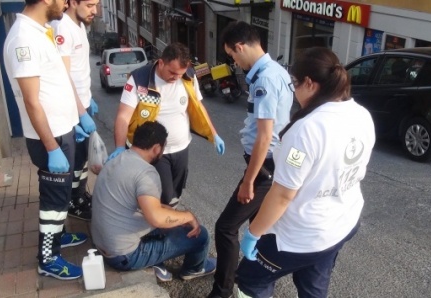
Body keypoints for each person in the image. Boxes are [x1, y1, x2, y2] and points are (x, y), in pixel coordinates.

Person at [236, 47, 376, 298]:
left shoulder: (306, 130)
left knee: (250, 279)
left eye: (294, 84)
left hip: (301, 235)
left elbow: (282, 196)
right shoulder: (361, 114)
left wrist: (253, 233)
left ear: (309, 83)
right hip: (341, 224)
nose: (293, 91)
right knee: (313, 286)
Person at [3, 0, 96, 280]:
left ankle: (58, 236)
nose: (66, 3)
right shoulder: (23, 38)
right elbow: (32, 101)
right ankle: (48, 257)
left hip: (62, 129)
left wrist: (75, 118)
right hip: (50, 138)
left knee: (60, 194)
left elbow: (57, 81)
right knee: (54, 200)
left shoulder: (40, 30)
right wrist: (52, 147)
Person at [208, 21, 293, 298]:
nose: (234, 61)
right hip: (269, 164)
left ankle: (222, 292)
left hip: (264, 168)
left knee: (226, 227)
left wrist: (249, 181)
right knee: (262, 230)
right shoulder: (275, 71)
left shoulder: (266, 79)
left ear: (240, 47)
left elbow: (265, 136)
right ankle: (254, 286)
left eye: (232, 56)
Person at [91, 121, 216, 282]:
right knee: (201, 236)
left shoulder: (118, 159)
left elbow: (152, 207)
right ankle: (194, 269)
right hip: (124, 256)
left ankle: (157, 261)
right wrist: (188, 216)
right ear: (157, 148)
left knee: (174, 221)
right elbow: (156, 218)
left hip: (103, 243)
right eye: (163, 149)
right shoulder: (147, 173)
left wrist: (178, 216)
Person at [108, 42, 225, 210]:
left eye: (180, 74)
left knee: (176, 193)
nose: (176, 78)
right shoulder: (140, 80)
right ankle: (160, 227)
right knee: (163, 195)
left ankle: (166, 220)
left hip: (181, 148)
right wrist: (119, 146)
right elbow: (123, 116)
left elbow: (199, 107)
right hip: (153, 152)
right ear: (161, 62)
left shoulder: (189, 77)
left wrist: (214, 135)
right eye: (172, 72)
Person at [50, 0, 100, 221]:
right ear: (72, 2)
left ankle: (80, 195)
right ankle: (72, 202)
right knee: (75, 160)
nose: (95, 11)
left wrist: (89, 99)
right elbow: (64, 75)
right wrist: (80, 112)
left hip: (83, 102)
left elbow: (80, 71)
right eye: (90, 5)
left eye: (96, 5)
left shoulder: (79, 24)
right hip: (73, 108)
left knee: (83, 159)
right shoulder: (62, 28)